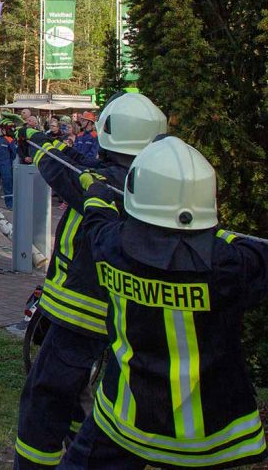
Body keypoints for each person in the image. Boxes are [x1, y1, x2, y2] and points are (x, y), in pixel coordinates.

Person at [61, 137, 268, 469]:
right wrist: (217, 239)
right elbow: (254, 254)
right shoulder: (229, 265)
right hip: (209, 439)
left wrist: (96, 195)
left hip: (125, 421)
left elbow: (97, 221)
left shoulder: (111, 246)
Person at [14, 92, 167, 469]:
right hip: (125, 318)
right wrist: (43, 139)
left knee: (44, 401)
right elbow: (77, 162)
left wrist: (36, 141)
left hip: (78, 315)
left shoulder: (100, 182)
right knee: (94, 399)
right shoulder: (150, 182)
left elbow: (61, 168)